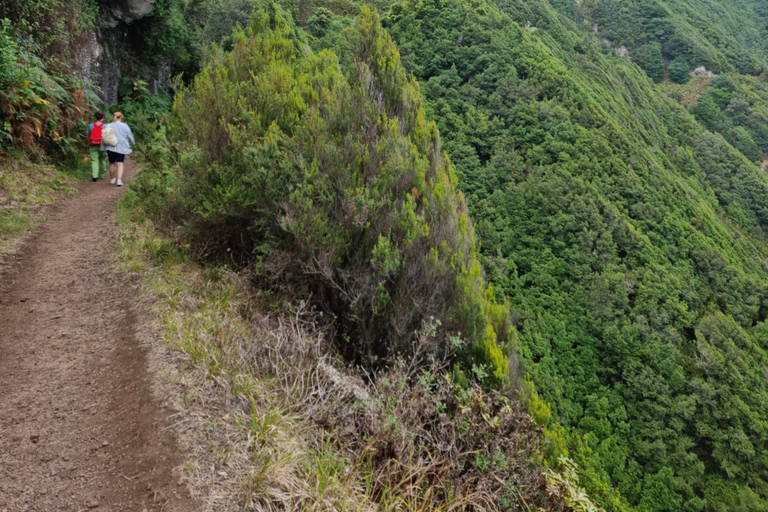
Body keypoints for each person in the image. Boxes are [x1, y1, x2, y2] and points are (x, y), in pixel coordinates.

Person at [102, 112, 135, 187]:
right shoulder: (124, 125)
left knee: (111, 163)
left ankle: (112, 179)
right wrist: (133, 143)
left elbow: (104, 136)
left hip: (110, 147)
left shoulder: (107, 125)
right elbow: (130, 135)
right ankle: (119, 180)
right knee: (120, 163)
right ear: (120, 117)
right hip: (121, 147)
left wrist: (103, 147)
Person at [87, 112, 108, 182]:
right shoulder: (105, 126)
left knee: (94, 160)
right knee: (102, 159)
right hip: (102, 145)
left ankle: (94, 175)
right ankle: (102, 175)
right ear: (102, 118)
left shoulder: (91, 125)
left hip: (93, 145)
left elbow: (89, 134)